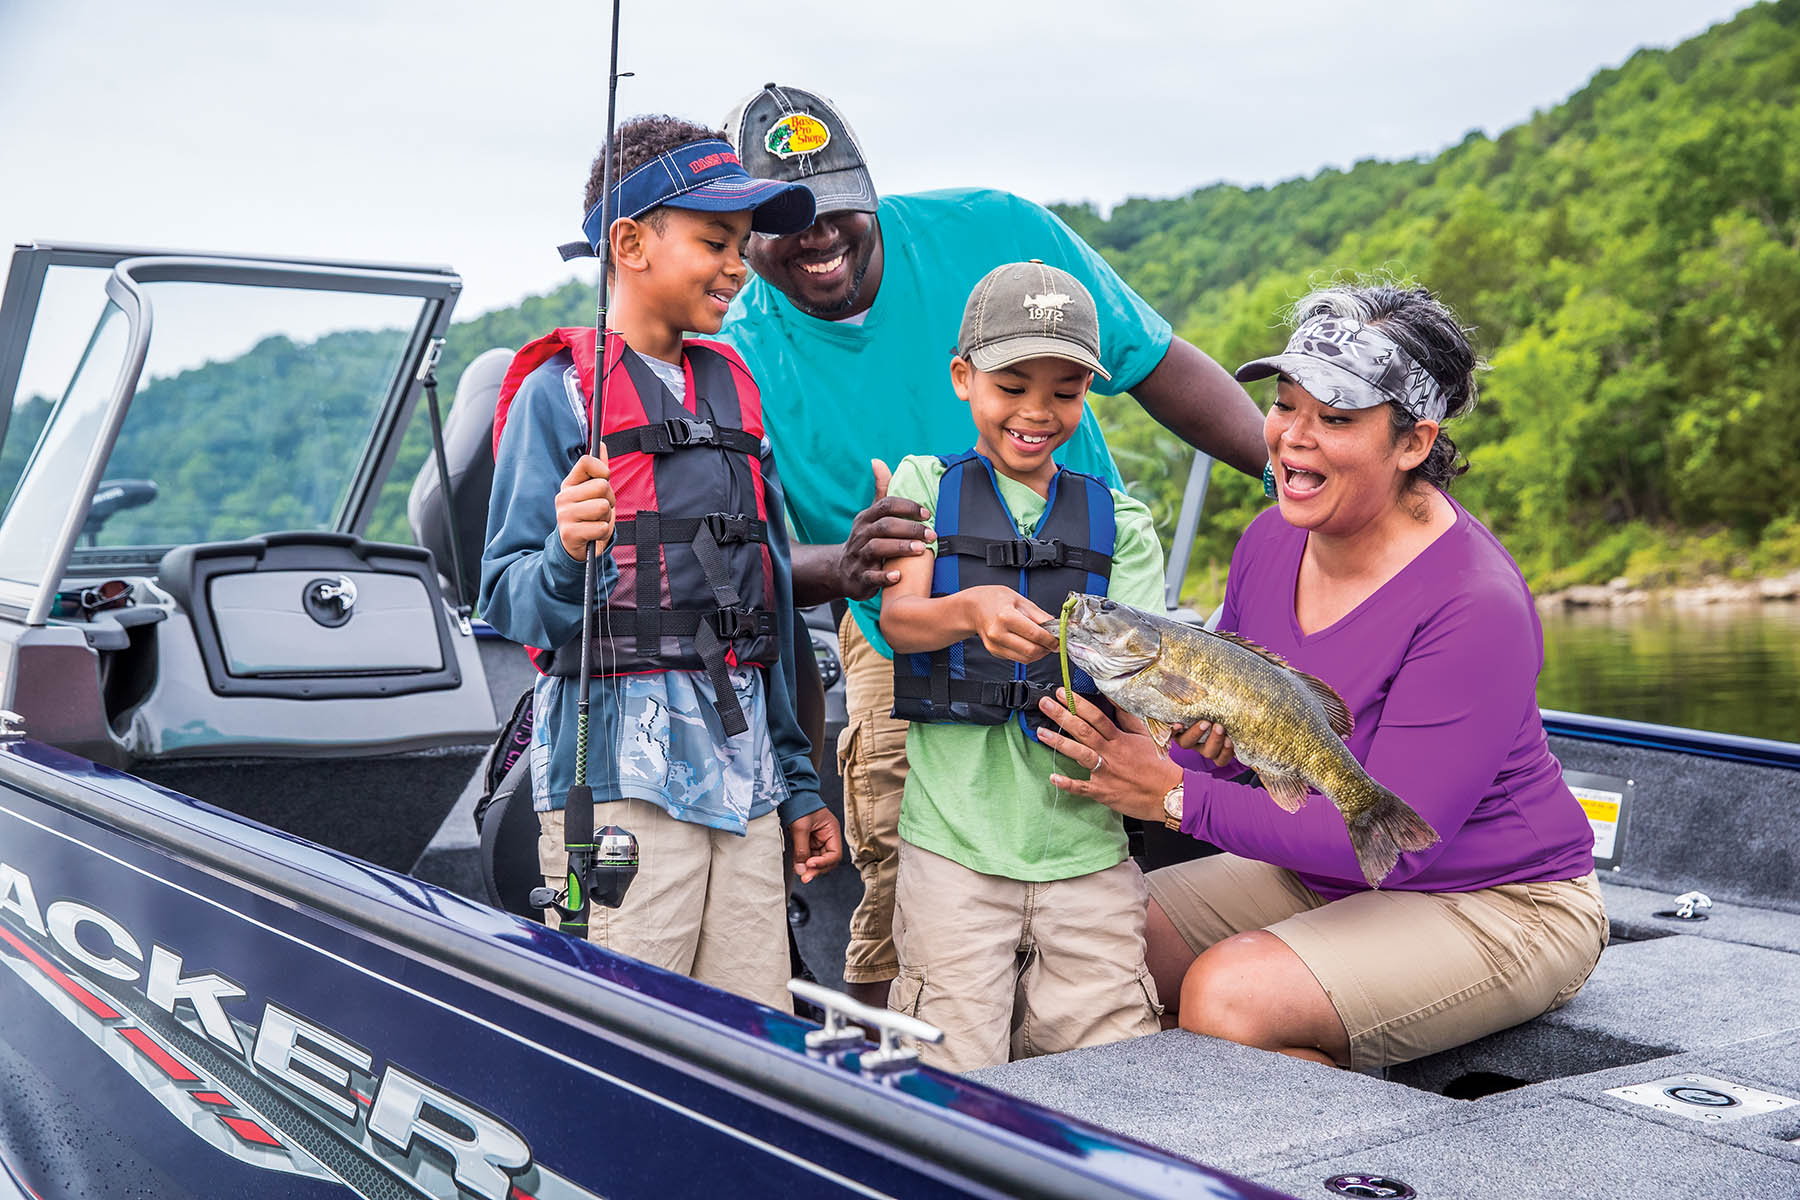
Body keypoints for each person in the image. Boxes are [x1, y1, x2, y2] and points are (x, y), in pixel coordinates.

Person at [715, 82, 1268, 1006]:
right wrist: (799, 781)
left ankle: (1102, 1031)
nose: (817, 236)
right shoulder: (739, 357)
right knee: (903, 853)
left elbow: (1157, 362)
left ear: (870, 188)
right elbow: (767, 576)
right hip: (903, 618)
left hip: (1091, 591)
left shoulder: (1003, 233)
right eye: (781, 218)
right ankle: (921, 1055)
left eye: (837, 206)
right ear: (743, 233)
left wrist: (1296, 483)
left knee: (1116, 803)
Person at [1036, 282, 1608, 1071]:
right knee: (1086, 940)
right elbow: (1238, 737)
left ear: (1413, 443)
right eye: (1285, 404)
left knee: (1226, 997)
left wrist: (1169, 795)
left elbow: (1398, 845)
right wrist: (1190, 749)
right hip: (1321, 872)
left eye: (1336, 418)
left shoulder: (1477, 604)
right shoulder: (1269, 540)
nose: (1293, 439)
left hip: (1498, 900)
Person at [479, 115, 843, 1012]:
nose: (738, 264)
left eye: (743, 244)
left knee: (758, 1035)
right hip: (622, 789)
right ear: (631, 243)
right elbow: (507, 597)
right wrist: (568, 551)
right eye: (716, 241)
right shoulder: (553, 399)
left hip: (749, 782)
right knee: (636, 1031)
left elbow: (771, 600)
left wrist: (798, 785)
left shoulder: (735, 389)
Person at [877, 263, 1167, 1071]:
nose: (1038, 411)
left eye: (1066, 391)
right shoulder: (921, 487)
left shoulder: (1126, 523)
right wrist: (971, 610)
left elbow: (1141, 672)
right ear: (964, 379)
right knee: (949, 1078)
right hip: (952, 857)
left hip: (1091, 862)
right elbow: (899, 621)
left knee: (1115, 1080)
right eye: (1013, 384)